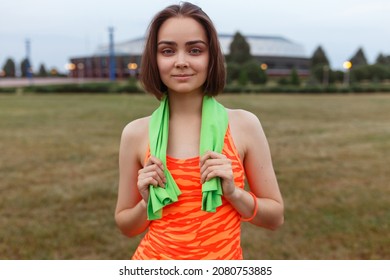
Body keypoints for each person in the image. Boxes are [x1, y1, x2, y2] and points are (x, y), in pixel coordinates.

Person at [115, 2, 284, 260]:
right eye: (168, 51)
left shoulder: (244, 125)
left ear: (211, 56)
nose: (181, 62)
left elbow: (274, 217)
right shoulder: (136, 133)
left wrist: (234, 194)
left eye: (195, 50)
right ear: (155, 58)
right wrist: (145, 202)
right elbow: (126, 226)